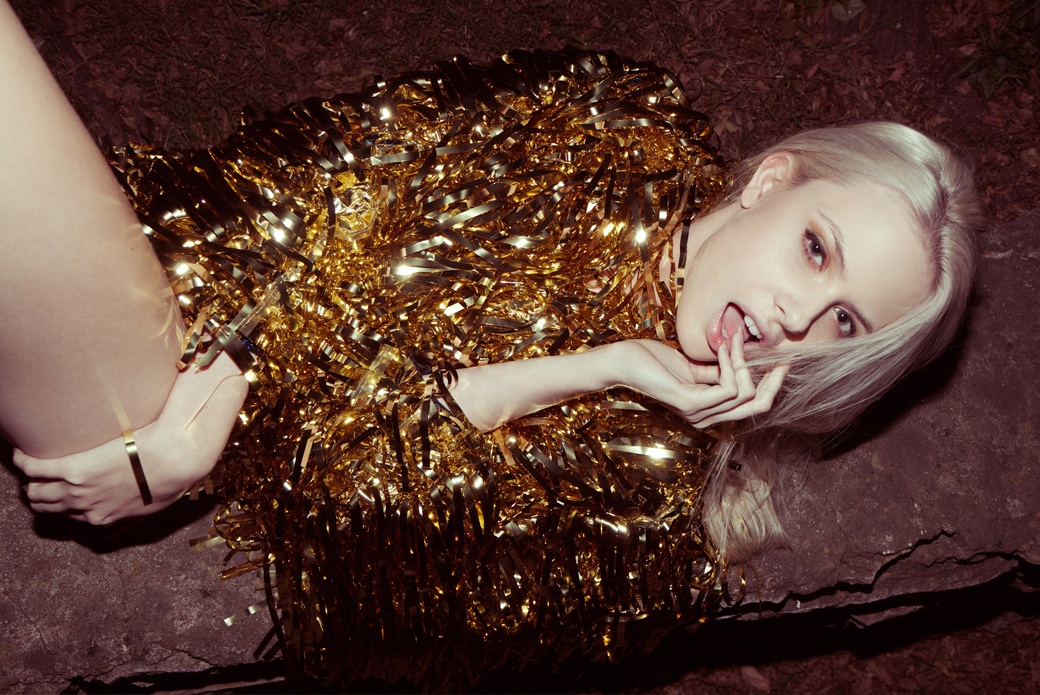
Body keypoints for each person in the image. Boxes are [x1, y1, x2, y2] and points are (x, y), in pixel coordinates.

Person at [0, 0, 982, 684]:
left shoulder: (646, 512)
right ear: (773, 183)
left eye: (845, 323)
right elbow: (341, 156)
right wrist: (226, 381)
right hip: (176, 245)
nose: (798, 318)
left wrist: (599, 367)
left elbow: (342, 497)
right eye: (815, 250)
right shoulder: (617, 108)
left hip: (137, 382)